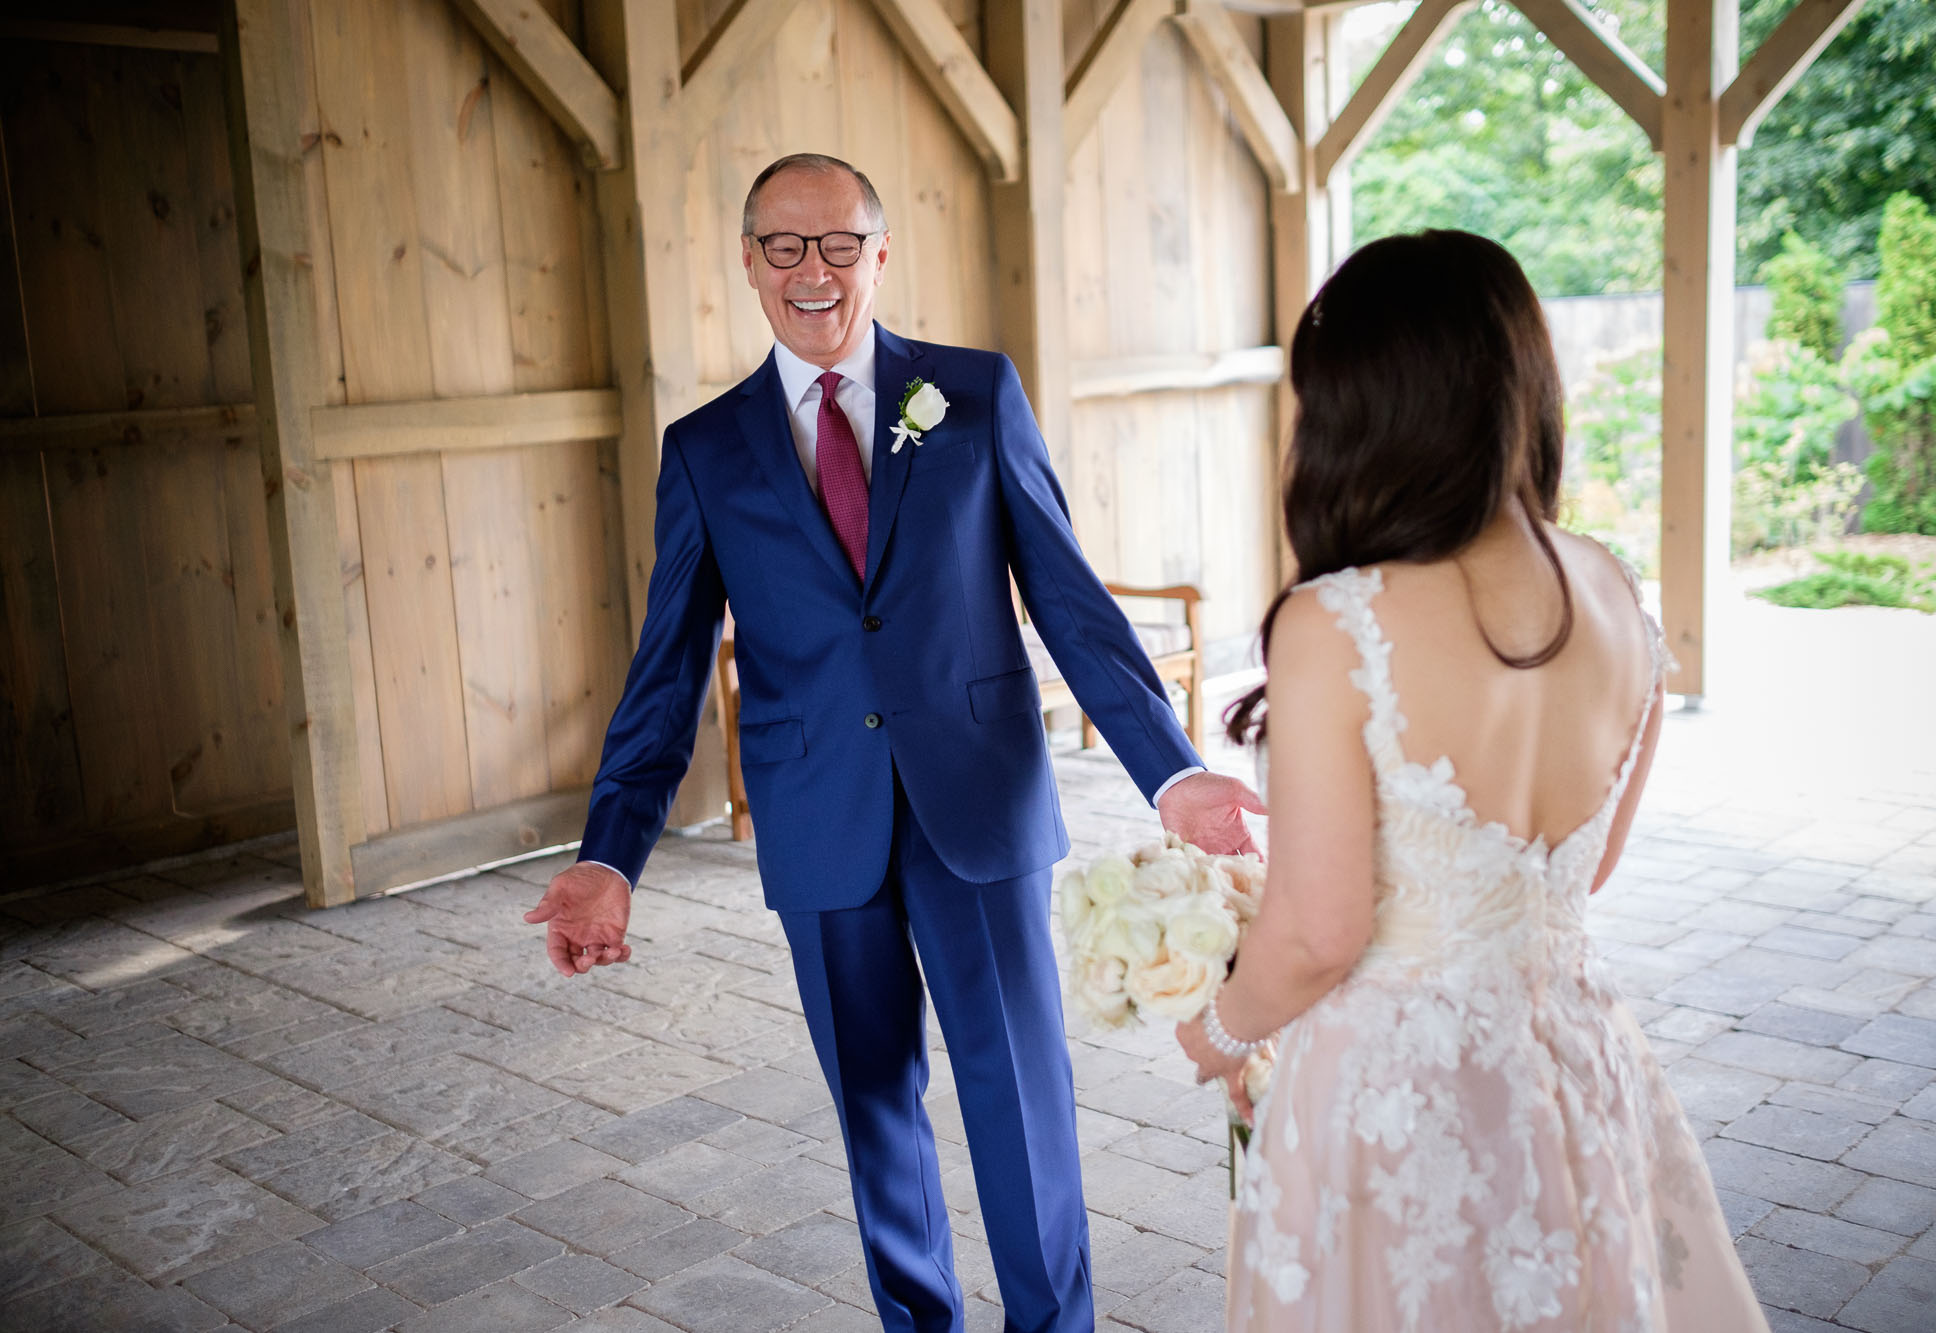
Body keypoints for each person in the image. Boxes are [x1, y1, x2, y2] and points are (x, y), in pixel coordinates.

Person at [524, 153, 1263, 1333]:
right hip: (818, 821)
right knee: (874, 1111)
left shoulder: (972, 394)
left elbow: (1070, 603)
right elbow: (665, 668)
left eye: (835, 245)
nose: (810, 272)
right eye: (783, 247)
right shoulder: (705, 448)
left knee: (1019, 1098)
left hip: (976, 805)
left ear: (878, 253)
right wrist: (611, 854)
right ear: (750, 261)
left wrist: (1170, 772)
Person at [1177, 231, 1767, 1331]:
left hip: (1394, 1095)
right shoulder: (1612, 593)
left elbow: (1318, 931)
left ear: (1359, 410)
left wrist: (1219, 1028)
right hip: (1572, 1067)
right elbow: (1586, 870)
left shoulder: (1334, 623)